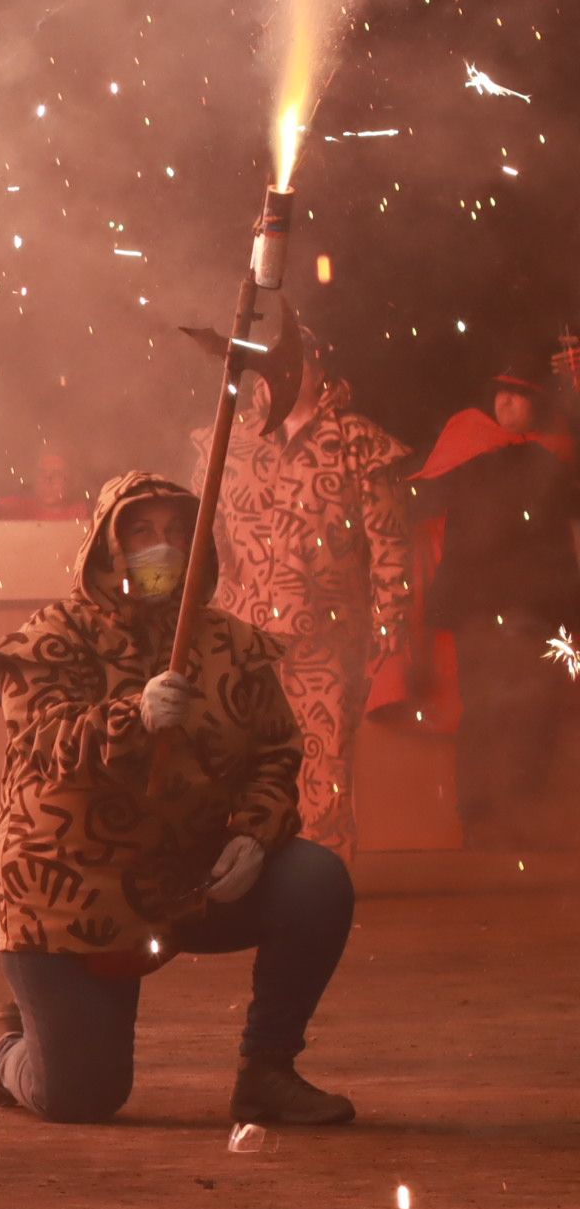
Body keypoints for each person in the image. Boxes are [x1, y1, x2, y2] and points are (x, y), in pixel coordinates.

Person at [0, 471, 355, 1128]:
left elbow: (276, 754)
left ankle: (267, 1069)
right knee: (83, 1097)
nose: (164, 546)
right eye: (143, 530)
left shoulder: (230, 644)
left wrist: (254, 836)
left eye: (180, 531)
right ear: (106, 543)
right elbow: (41, 745)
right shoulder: (53, 638)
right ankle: (4, 1047)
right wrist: (131, 717)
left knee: (315, 881)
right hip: (72, 891)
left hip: (186, 879)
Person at [193, 307, 415, 861]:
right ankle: (244, 868)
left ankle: (322, 876)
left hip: (327, 635)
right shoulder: (227, 443)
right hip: (240, 633)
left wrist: (392, 616)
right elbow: (202, 532)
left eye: (292, 363)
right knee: (239, 757)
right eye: (267, 368)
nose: (277, 378)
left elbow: (388, 540)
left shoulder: (359, 442)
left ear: (317, 368)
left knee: (323, 761)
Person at [409, 356, 580, 847]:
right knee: (482, 708)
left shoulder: (553, 462)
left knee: (535, 708)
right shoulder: (471, 450)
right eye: (500, 391)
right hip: (481, 609)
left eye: (518, 393)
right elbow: (440, 516)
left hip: (535, 609)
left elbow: (558, 538)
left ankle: (525, 809)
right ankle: (479, 818)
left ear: (538, 405)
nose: (503, 401)